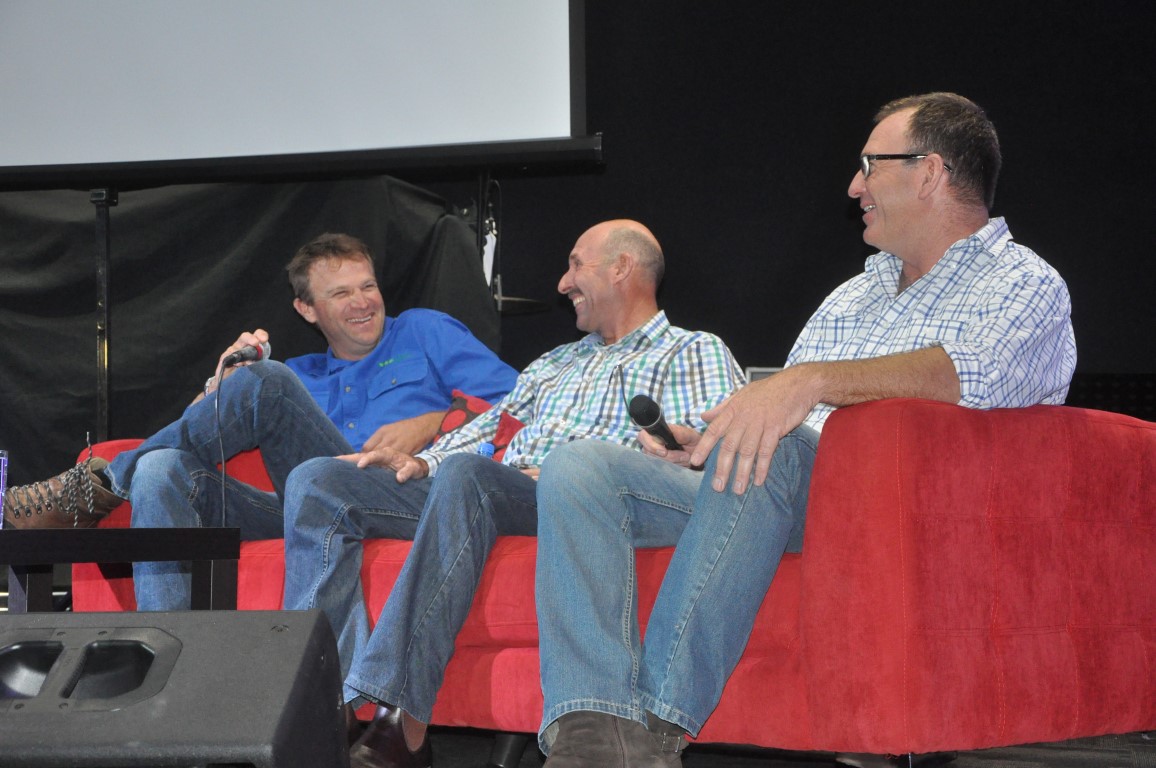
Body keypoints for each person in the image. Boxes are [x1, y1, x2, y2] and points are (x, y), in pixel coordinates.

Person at [533, 93, 1077, 768]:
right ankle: (593, 734)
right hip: (784, 496)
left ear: (930, 173)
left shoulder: (1024, 283)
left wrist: (809, 383)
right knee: (580, 468)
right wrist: (713, 446)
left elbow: (978, 375)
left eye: (870, 166)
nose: (855, 187)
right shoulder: (852, 295)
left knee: (781, 441)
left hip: (911, 520)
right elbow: (784, 421)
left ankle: (653, 726)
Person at [277, 220, 745, 768]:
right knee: (320, 479)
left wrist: (644, 455)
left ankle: (397, 715)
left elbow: (705, 453)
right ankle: (324, 702)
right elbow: (489, 427)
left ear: (621, 268)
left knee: (469, 476)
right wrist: (422, 458)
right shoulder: (556, 361)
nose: (562, 282)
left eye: (576, 265)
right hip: (503, 492)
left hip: (588, 501)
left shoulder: (693, 351)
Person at [1, 233, 517, 612]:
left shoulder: (425, 331)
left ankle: (100, 485)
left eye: (368, 286)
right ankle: (173, 666)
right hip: (308, 505)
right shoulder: (301, 377)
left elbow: (522, 403)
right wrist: (220, 387)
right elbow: (214, 432)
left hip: (401, 491)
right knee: (161, 468)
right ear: (306, 309)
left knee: (265, 383)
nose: (362, 303)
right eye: (340, 294)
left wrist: (429, 422)